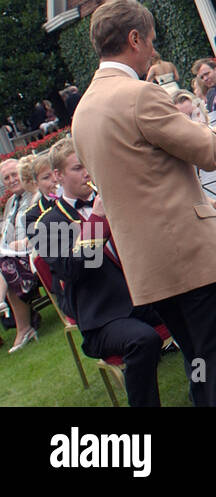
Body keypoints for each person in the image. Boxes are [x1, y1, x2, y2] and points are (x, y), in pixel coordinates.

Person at [71, 0, 216, 406]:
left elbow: (146, 185)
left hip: (151, 269)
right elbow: (212, 151)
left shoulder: (83, 111)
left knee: (204, 370)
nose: (154, 49)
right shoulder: (137, 95)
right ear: (133, 39)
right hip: (191, 261)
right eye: (150, 39)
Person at [35, 138, 167, 407]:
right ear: (58, 176)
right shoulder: (48, 224)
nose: (87, 173)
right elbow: (74, 271)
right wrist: (96, 220)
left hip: (145, 293)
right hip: (102, 317)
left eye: (88, 165)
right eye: (77, 168)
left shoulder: (114, 197)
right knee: (144, 340)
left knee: (199, 306)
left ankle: (203, 385)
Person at [1, 155, 42, 351]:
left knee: (5, 267)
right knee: (4, 264)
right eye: (6, 178)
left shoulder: (36, 194)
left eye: (13, 174)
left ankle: (23, 327)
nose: (11, 180)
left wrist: (20, 244)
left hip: (31, 254)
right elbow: (6, 236)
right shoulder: (10, 203)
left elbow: (43, 230)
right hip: (11, 255)